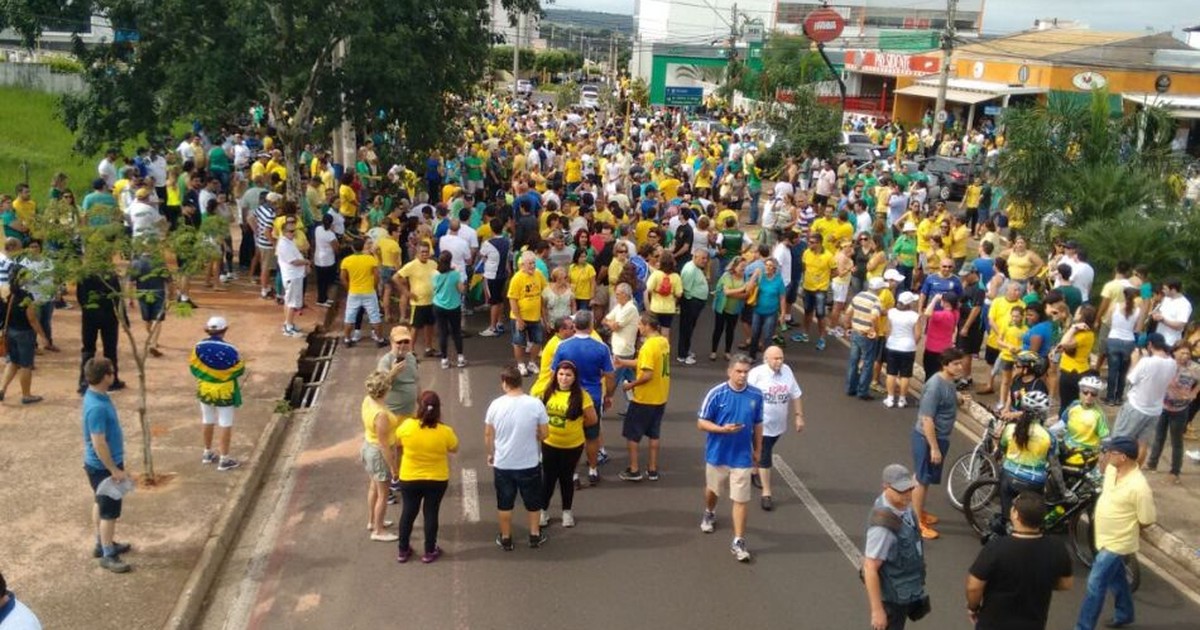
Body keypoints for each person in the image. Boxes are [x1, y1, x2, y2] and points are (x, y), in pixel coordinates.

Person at [1074, 436, 1156, 630]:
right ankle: (1125, 613)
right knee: (1117, 578)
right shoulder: (1113, 469)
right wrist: (1103, 458)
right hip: (1103, 537)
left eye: (1111, 452)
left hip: (1117, 543)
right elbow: (1102, 470)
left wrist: (1125, 530)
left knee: (1095, 583)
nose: (1107, 454)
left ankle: (1083, 627)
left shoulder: (1139, 487)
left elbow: (1147, 520)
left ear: (1124, 457)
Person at [966, 491, 1073, 630]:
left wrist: (973, 607)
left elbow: (974, 586)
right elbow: (1066, 584)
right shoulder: (1056, 547)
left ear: (1016, 514)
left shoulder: (997, 547)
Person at [697, 354, 764, 562]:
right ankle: (709, 510)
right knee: (713, 490)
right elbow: (701, 423)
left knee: (741, 499)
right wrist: (721, 429)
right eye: (739, 371)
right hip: (718, 454)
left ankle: (739, 540)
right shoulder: (716, 394)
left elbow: (758, 424)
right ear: (729, 371)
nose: (742, 376)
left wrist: (758, 450)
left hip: (742, 456)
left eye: (746, 372)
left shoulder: (756, 395)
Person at [485, 364, 550, 551]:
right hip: (529, 463)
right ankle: (534, 535)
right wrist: (535, 436)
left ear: (505, 383)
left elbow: (488, 434)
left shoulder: (495, 405)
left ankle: (506, 538)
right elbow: (545, 433)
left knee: (505, 503)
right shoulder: (535, 404)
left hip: (504, 463)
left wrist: (491, 454)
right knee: (533, 502)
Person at [394, 390, 459, 564]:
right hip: (436, 479)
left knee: (408, 512)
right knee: (431, 512)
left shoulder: (407, 426)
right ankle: (430, 550)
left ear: (419, 408)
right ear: (438, 410)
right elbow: (454, 448)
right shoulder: (444, 431)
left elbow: (397, 442)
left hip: (409, 477)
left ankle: (403, 549)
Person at [81, 358, 133, 573]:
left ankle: (102, 543)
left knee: (100, 503)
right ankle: (108, 553)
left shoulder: (97, 397)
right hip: (103, 467)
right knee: (109, 512)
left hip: (98, 466)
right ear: (106, 377)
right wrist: (114, 469)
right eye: (112, 372)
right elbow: (99, 442)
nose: (114, 375)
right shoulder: (97, 408)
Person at [862, 464, 928, 630]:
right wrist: (877, 611)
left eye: (909, 488)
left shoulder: (904, 508)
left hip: (904, 591)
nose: (907, 495)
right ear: (886, 487)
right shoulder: (882, 526)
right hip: (891, 599)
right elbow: (870, 567)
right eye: (901, 490)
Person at [551, 311, 615, 484]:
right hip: (593, 397)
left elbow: (553, 373)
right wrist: (609, 395)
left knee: (573, 437)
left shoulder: (562, 346)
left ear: (575, 326)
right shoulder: (601, 348)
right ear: (591, 325)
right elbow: (610, 375)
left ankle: (573, 474)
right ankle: (593, 470)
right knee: (592, 436)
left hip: (568, 397)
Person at [911, 347, 967, 540]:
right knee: (922, 478)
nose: (960, 367)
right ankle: (917, 521)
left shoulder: (949, 382)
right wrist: (934, 447)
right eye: (956, 364)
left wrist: (958, 400)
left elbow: (948, 400)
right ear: (945, 365)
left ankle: (919, 511)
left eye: (961, 363)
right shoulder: (935, 386)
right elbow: (927, 419)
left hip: (941, 436)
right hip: (927, 438)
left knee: (925, 477)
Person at [538, 360, 596, 529]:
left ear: (574, 377)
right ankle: (543, 511)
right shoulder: (547, 392)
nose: (564, 378)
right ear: (556, 375)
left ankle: (566, 512)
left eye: (568, 375)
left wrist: (574, 427)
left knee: (566, 479)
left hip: (572, 446)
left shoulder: (582, 396)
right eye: (561, 374)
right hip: (549, 444)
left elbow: (592, 419)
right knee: (547, 479)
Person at [746, 346, 804, 511]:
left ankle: (753, 469)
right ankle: (766, 492)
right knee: (765, 454)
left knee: (764, 448)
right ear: (766, 359)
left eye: (781, 358)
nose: (779, 361)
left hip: (778, 424)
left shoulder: (787, 371)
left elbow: (796, 394)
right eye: (775, 358)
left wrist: (799, 415)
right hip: (759, 424)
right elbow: (745, 394)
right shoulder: (757, 374)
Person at [617, 314, 670, 482]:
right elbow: (644, 363)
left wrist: (631, 385)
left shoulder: (648, 346)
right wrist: (623, 362)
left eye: (640, 324)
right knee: (654, 434)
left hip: (644, 398)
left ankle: (634, 469)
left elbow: (647, 374)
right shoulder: (663, 342)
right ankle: (652, 469)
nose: (639, 327)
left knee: (632, 435)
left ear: (647, 325)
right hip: (660, 396)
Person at [189, 316, 246, 471]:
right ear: (225, 330)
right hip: (225, 390)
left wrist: (208, 376)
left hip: (205, 389)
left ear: (207, 329)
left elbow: (193, 367)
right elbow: (239, 369)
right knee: (225, 423)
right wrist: (221, 376)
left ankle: (207, 453)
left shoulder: (198, 347)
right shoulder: (231, 349)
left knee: (207, 420)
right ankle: (224, 459)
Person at [1112, 333, 1176, 464]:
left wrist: (1135, 361)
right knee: (1142, 443)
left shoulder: (1146, 362)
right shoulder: (1172, 363)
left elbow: (1130, 379)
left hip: (1136, 407)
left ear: (1150, 345)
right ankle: (1135, 472)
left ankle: (1113, 471)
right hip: (1154, 411)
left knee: (1119, 441)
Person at [1146, 342, 1200, 483]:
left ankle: (1174, 472)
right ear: (1174, 352)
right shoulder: (1167, 364)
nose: (1185, 356)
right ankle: (1152, 463)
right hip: (1163, 406)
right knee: (1159, 436)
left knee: (1177, 441)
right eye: (1182, 352)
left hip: (1181, 409)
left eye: (1188, 353)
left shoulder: (1194, 368)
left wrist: (1194, 393)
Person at [361, 371, 401, 542]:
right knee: (384, 494)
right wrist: (393, 467)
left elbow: (381, 383)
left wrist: (392, 373)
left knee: (374, 488)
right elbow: (384, 445)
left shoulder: (368, 400)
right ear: (385, 391)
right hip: (379, 453)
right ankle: (378, 530)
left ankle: (372, 521)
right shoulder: (381, 415)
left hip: (368, 447)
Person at [0, 265, 46, 405]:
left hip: (9, 331)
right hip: (24, 333)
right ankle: (26, 395)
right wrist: (43, 336)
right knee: (26, 365)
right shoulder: (26, 296)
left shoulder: (5, 291)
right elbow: (32, 319)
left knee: (12, 361)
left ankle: (2, 389)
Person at [340, 238, 388, 348]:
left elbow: (343, 278)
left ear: (352, 248)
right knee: (375, 316)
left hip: (354, 292)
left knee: (349, 317)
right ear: (363, 247)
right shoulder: (370, 259)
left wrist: (349, 288)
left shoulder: (346, 261)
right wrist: (374, 287)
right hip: (369, 291)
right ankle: (380, 339)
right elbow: (377, 276)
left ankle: (347, 339)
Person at [844, 277, 885, 400]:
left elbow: (848, 312)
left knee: (853, 361)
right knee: (867, 363)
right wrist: (875, 331)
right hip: (867, 334)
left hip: (856, 331)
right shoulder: (876, 301)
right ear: (879, 289)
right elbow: (874, 317)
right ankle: (862, 391)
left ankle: (850, 387)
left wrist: (847, 326)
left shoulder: (859, 296)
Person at [507, 251, 547, 377]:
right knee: (519, 342)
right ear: (522, 265)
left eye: (533, 263)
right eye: (529, 263)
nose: (532, 266)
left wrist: (544, 316)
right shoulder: (517, 278)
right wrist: (518, 319)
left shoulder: (539, 275)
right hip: (520, 317)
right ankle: (520, 364)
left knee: (538, 340)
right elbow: (512, 299)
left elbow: (544, 292)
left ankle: (532, 362)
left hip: (535, 316)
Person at [394, 243, 438, 354]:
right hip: (418, 303)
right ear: (417, 253)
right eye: (422, 252)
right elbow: (396, 278)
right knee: (415, 327)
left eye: (426, 252)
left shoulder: (433, 264)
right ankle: (411, 351)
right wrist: (406, 292)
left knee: (430, 326)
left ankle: (429, 348)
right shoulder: (411, 265)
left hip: (432, 301)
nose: (424, 254)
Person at [884, 292, 922, 408]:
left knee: (891, 373)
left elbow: (887, 329)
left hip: (892, 345)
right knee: (905, 375)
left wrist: (889, 340)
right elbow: (918, 334)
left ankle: (890, 398)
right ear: (909, 303)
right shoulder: (915, 316)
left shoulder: (891, 312)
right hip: (908, 347)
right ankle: (902, 399)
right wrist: (912, 344)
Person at [431, 251, 466, 368]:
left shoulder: (435, 274)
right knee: (456, 332)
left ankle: (444, 359)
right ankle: (460, 357)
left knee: (442, 333)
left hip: (439, 306)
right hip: (454, 306)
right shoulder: (455, 274)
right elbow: (461, 290)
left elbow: (434, 288)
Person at [275, 218, 309, 337]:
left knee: (289, 301)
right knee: (292, 303)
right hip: (292, 276)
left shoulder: (289, 241)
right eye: (290, 231)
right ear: (284, 232)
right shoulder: (284, 244)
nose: (293, 233)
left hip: (295, 276)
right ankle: (288, 327)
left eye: (294, 230)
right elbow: (293, 261)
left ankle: (288, 323)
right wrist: (306, 262)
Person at [676, 249, 709, 364]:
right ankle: (682, 355)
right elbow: (685, 289)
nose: (705, 261)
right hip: (690, 304)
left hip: (694, 303)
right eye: (702, 258)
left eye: (706, 258)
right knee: (686, 329)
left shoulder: (696, 267)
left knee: (689, 329)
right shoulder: (690, 270)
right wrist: (691, 301)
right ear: (695, 257)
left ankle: (686, 350)